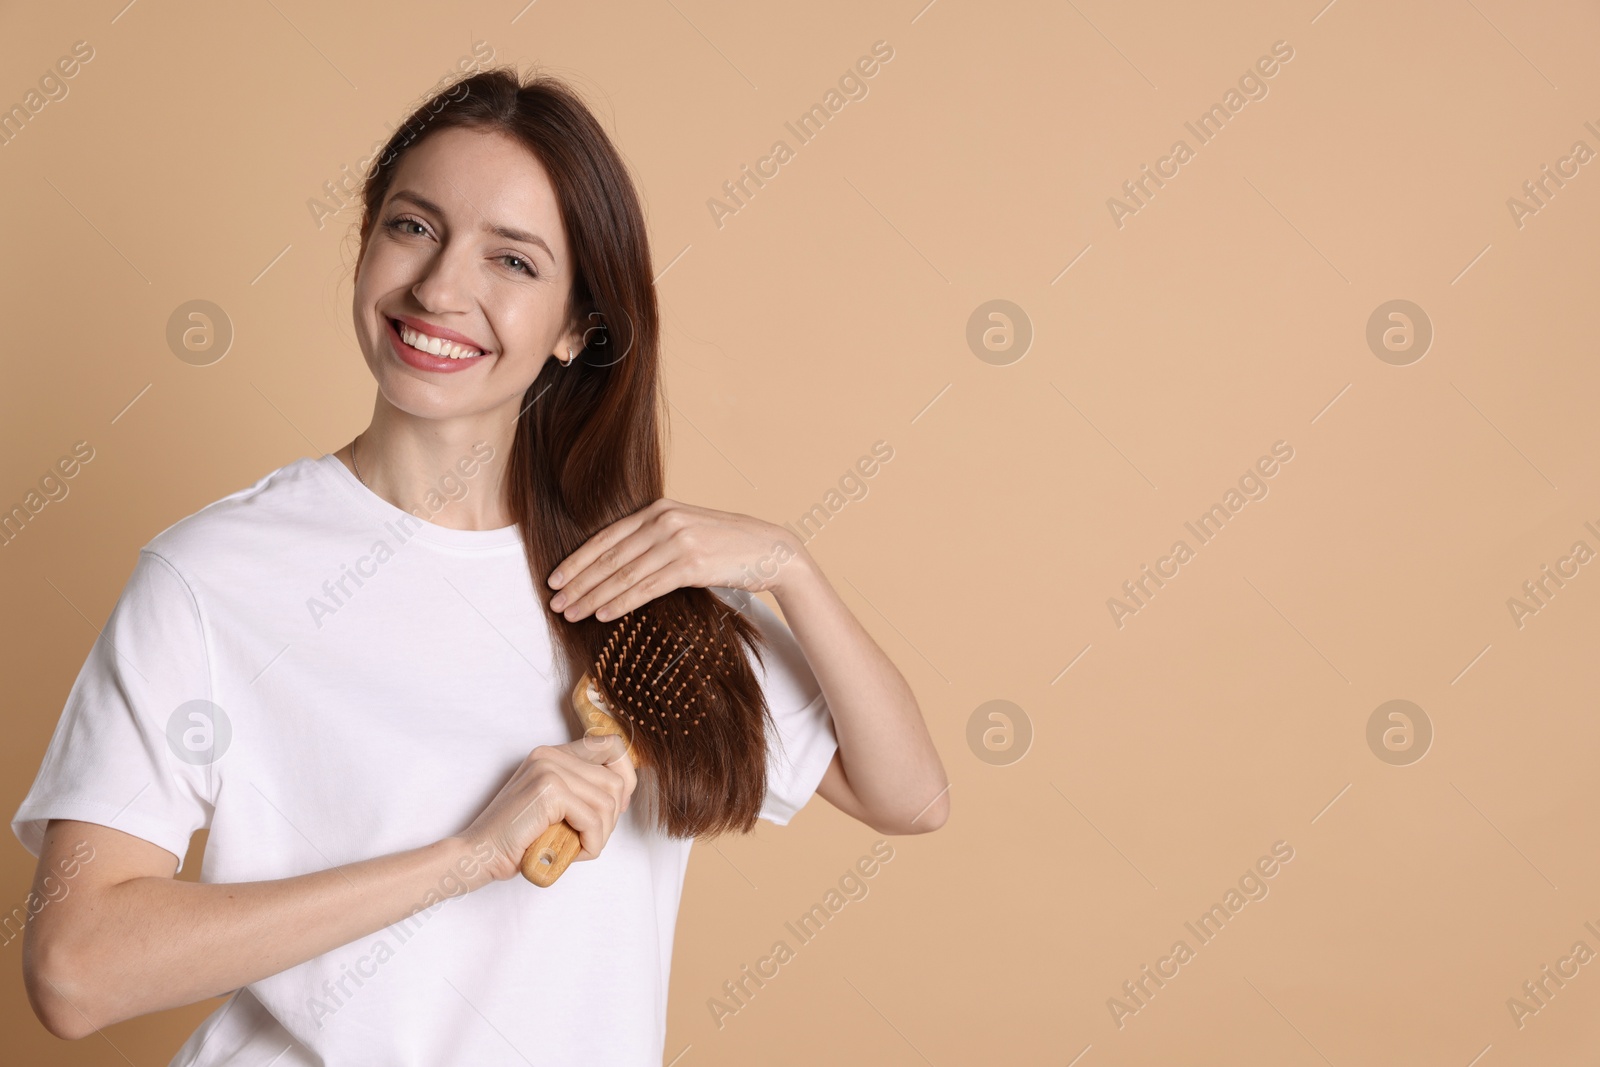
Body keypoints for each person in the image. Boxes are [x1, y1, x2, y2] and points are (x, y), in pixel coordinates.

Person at [11, 67, 948, 1065]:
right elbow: (75, 970)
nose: (441, 289)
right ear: (367, 238)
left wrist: (786, 564)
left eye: (512, 259)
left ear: (579, 327)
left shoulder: (633, 582)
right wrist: (468, 857)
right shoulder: (213, 575)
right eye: (414, 226)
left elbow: (909, 794)